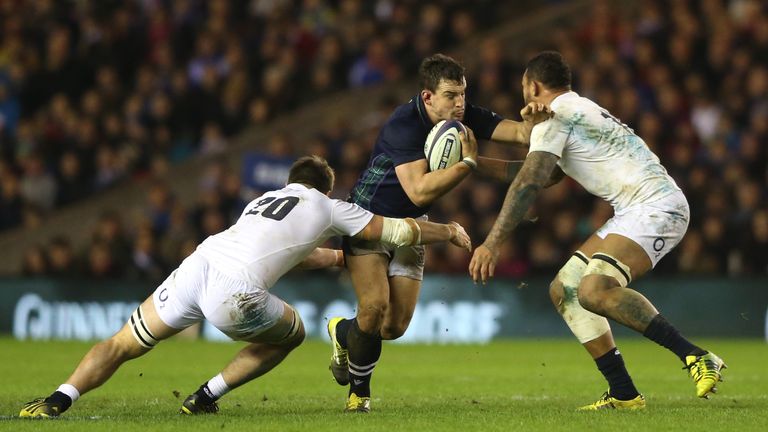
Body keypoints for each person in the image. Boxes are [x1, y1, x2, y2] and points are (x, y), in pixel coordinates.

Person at [19, 155, 471, 418]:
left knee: (123, 342)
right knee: (292, 332)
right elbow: (396, 232)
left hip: (200, 263)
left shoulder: (262, 200)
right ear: (325, 186)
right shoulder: (329, 206)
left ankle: (58, 399)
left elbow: (282, 247)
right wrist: (447, 231)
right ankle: (205, 396)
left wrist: (334, 258)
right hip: (235, 292)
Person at [469, 51, 726, 410]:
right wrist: (473, 164)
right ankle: (623, 392)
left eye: (523, 88)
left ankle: (696, 356)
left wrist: (492, 242)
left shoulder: (555, 118)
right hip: (635, 209)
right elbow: (551, 175)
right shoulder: (576, 109)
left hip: (656, 207)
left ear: (532, 86)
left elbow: (530, 181)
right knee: (566, 290)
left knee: (594, 290)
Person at [326, 53, 551, 413]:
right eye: (451, 95)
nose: (460, 103)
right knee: (373, 308)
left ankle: (341, 331)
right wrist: (470, 163)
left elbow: (520, 134)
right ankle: (359, 395)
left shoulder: (461, 116)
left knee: (392, 327)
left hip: (413, 228)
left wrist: (536, 120)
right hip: (368, 222)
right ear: (428, 97)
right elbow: (418, 191)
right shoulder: (404, 124)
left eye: (462, 94)